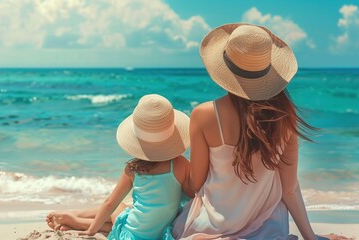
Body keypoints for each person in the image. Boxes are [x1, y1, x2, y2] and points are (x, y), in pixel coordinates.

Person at [171, 23, 326, 240]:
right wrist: (310, 236)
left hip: (211, 228)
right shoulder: (283, 118)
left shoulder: (204, 115)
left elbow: (196, 184)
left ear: (225, 70)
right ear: (269, 72)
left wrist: (171, 166)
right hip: (268, 232)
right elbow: (289, 190)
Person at [47, 94, 193, 239]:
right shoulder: (180, 164)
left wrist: (91, 232)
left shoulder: (132, 169)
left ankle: (77, 218)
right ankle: (76, 218)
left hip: (129, 234)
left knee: (120, 207)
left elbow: (110, 203)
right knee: (126, 214)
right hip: (159, 235)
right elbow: (192, 194)